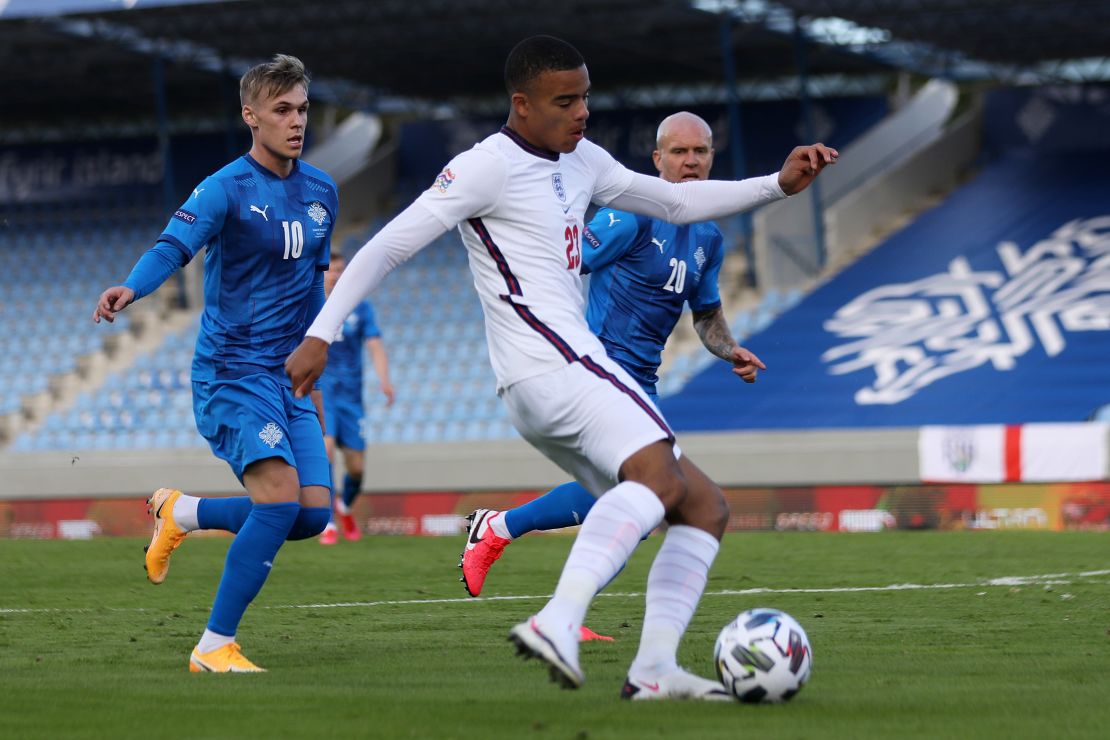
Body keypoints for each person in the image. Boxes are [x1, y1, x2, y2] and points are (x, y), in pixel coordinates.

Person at [285, 36, 835, 700]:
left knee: (703, 506)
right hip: (555, 360)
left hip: (549, 377)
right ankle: (556, 620)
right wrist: (321, 331)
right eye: (564, 101)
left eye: (585, 98)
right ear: (522, 105)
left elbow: (678, 204)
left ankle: (653, 670)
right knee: (660, 476)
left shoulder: (585, 162)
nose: (581, 113)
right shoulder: (484, 167)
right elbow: (387, 247)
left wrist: (779, 184)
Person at [459, 111, 765, 611]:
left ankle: (523, 559)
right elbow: (567, 260)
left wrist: (730, 349)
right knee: (646, 494)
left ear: (712, 158)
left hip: (643, 378)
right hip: (601, 367)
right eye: (679, 152)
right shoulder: (631, 215)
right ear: (657, 160)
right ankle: (517, 552)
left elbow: (706, 313)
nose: (690, 162)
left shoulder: (708, 238)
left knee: (639, 505)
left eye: (700, 152)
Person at [93, 54, 337, 673]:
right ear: (250, 116)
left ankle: (182, 512)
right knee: (279, 502)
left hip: (289, 377)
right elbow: (174, 244)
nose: (296, 121)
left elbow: (314, 281)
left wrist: (314, 356)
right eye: (282, 110)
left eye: (303, 109)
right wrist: (132, 287)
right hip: (232, 371)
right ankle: (213, 646)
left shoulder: (322, 193)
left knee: (310, 516)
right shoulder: (226, 187)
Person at [318, 251, 395, 545]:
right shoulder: (309, 305)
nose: (336, 275)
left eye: (340, 270)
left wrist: (385, 381)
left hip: (351, 398)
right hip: (322, 393)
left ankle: (345, 507)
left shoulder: (360, 307)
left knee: (357, 469)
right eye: (331, 270)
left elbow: (375, 345)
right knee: (324, 453)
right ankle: (327, 524)